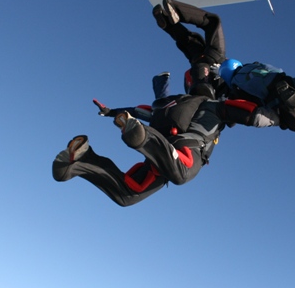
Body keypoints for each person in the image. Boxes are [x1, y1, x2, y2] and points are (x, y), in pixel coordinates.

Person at [52, 74, 278, 207]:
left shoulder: (172, 103)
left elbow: (136, 111)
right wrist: (280, 118)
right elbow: (251, 115)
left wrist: (110, 111)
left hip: (160, 158)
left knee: (127, 194)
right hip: (181, 150)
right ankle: (143, 138)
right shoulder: (216, 106)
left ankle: (80, 160)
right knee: (182, 174)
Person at [218, 30, 295, 132]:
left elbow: (231, 120)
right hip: (288, 82)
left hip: (272, 100)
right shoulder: (252, 65)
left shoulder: (235, 88)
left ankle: (292, 104)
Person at [153, 0, 227, 99]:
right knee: (190, 41)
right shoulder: (197, 98)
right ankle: (166, 23)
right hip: (197, 65)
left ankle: (176, 10)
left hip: (214, 62)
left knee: (213, 23)